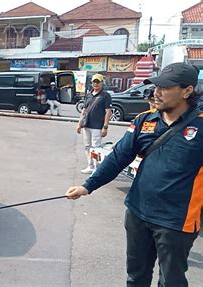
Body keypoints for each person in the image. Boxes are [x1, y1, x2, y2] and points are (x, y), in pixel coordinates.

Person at [66, 62, 202, 287]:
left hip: (176, 222)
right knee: (136, 278)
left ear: (187, 91)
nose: (156, 93)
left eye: (165, 88)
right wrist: (87, 186)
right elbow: (118, 157)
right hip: (138, 213)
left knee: (172, 281)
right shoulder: (144, 121)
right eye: (156, 87)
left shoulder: (200, 128)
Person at [77, 73, 112, 174]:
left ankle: (97, 168)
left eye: (98, 82)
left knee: (95, 148)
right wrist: (79, 124)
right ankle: (90, 166)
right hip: (86, 125)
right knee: (87, 146)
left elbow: (108, 112)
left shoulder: (105, 96)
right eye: (94, 82)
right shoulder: (88, 94)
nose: (95, 84)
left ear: (102, 83)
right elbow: (84, 110)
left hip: (97, 127)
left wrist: (105, 127)